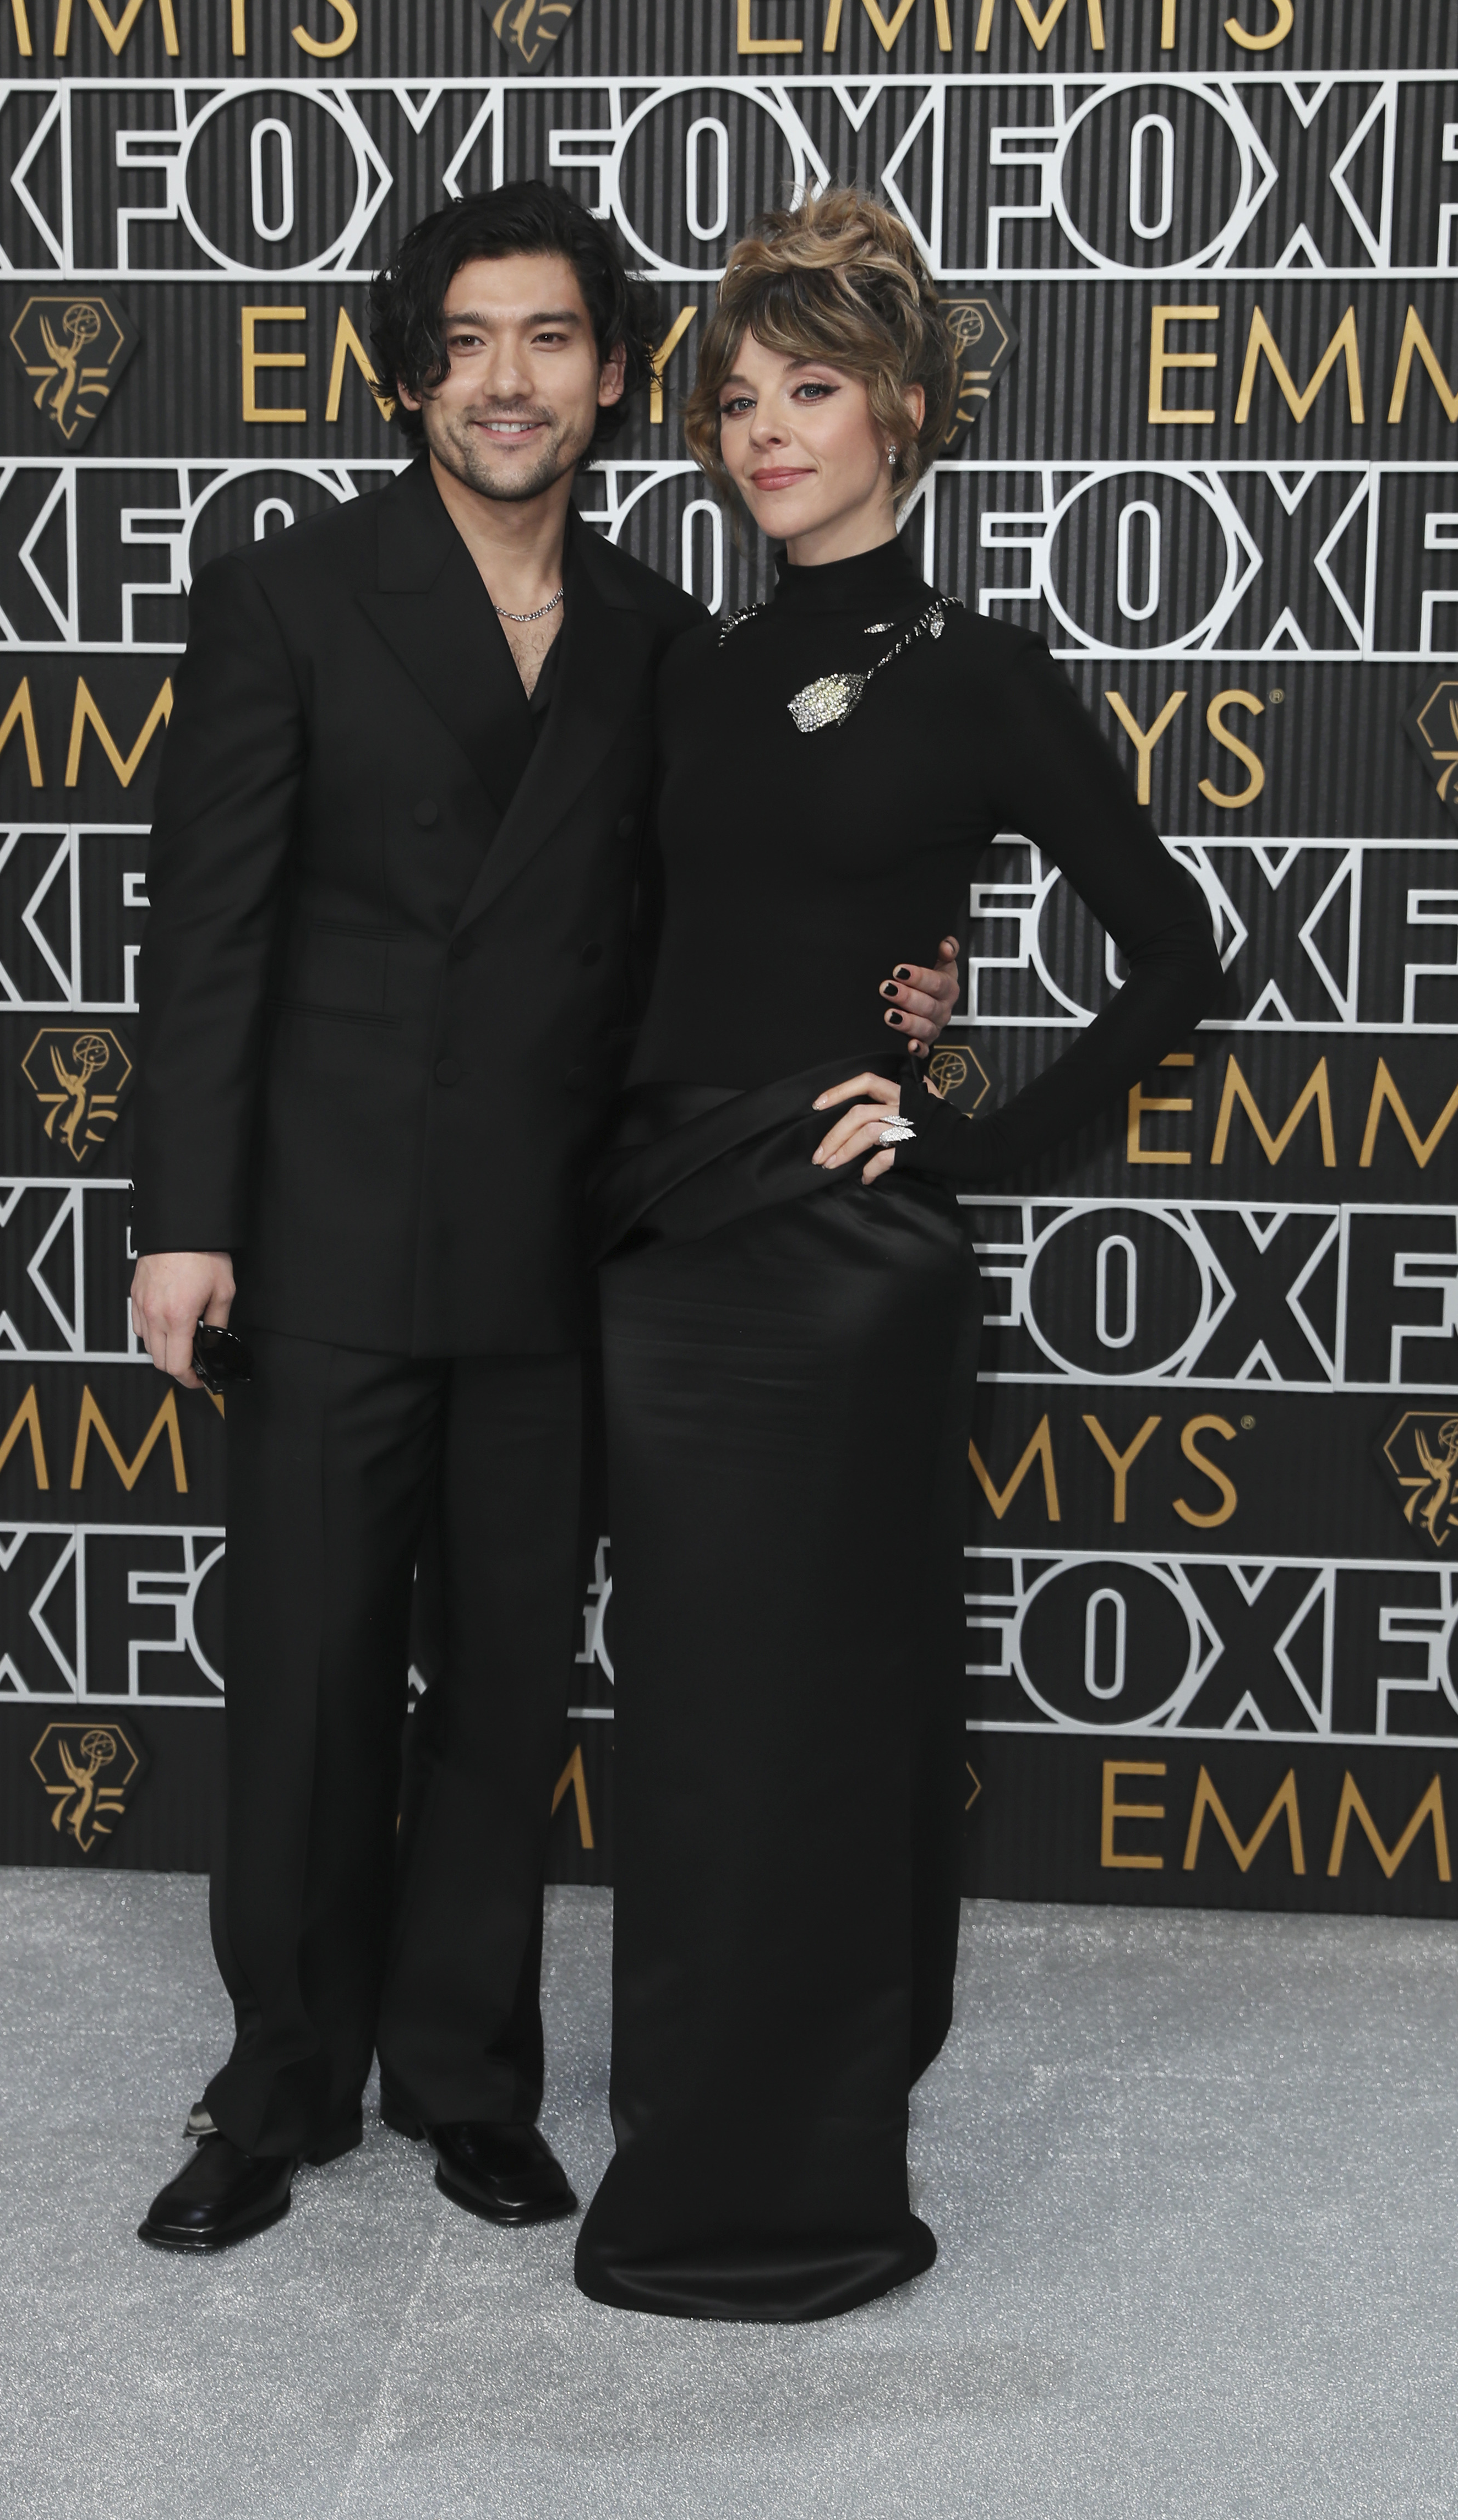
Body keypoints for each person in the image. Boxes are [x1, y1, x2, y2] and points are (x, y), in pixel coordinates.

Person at [127, 179, 962, 2254]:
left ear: (609, 378)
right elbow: (208, 940)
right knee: (312, 1685)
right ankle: (277, 2088)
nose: (510, 380)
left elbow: (714, 921)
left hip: (555, 1248)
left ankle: (466, 2080)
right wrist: (181, 1221)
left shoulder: (660, 638)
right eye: (470, 339)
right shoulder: (292, 596)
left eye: (554, 340)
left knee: (505, 1693)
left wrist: (895, 991)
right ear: (415, 369)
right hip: (320, 1244)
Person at [572, 190, 1223, 2323]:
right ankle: (689, 2098)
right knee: (683, 1712)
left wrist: (958, 1133)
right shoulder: (684, 659)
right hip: (665, 1244)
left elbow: (1170, 956)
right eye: (735, 397)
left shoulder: (987, 676)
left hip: (851, 1257)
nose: (763, 431)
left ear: (911, 416)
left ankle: (810, 2167)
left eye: (812, 391)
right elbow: (663, 942)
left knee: (827, 1712)